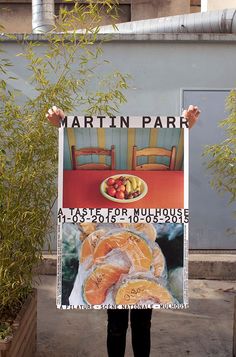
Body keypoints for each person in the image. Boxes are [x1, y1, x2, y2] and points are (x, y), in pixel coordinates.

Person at [47, 105, 200, 357]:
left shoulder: (152, 188)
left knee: (142, 324)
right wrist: (62, 124)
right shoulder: (96, 188)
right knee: (116, 325)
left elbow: (167, 218)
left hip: (146, 259)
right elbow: (80, 217)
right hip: (106, 260)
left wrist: (185, 125)